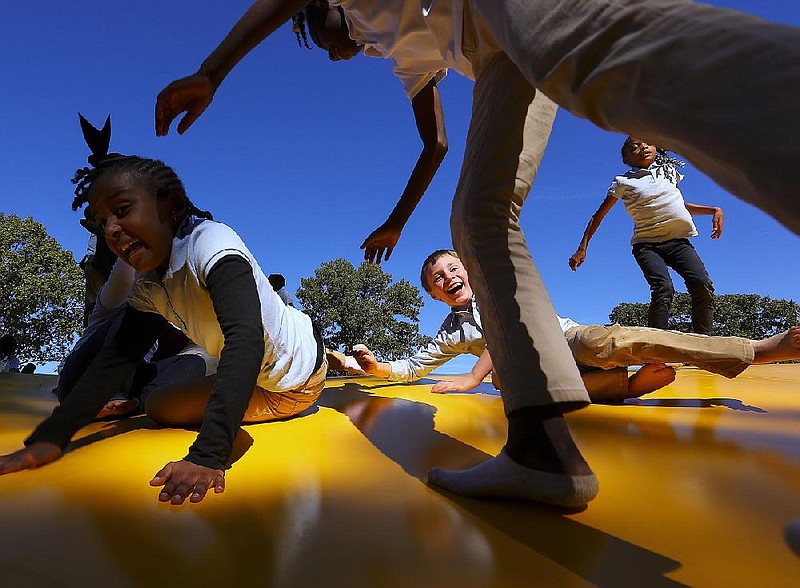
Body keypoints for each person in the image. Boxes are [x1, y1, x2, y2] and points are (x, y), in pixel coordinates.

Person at [153, 1, 800, 507]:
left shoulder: (356, 7)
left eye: (316, 36)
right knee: (479, 218)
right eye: (437, 278)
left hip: (513, 18)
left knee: (619, 60)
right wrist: (395, 224)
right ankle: (543, 455)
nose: (329, 55)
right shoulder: (400, 51)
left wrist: (214, 68)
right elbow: (433, 143)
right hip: (498, 55)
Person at [0, 116, 327, 506]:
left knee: (175, 401)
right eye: (101, 221)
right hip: (250, 371)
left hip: (293, 383)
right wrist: (52, 438)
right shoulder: (148, 284)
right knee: (158, 405)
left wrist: (208, 457)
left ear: (171, 207)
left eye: (122, 210)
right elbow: (116, 359)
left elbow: (246, 340)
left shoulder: (212, 244)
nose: (112, 230)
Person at [353, 249, 800, 402]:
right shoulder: (451, 332)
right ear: (433, 295)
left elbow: (502, 331)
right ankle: (625, 389)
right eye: (438, 279)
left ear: (469, 269)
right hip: (536, 370)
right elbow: (414, 366)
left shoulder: (497, 289)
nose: (449, 278)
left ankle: (756, 349)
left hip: (565, 340)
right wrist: (375, 369)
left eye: (454, 269)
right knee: (511, 386)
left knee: (612, 341)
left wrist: (473, 376)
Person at [569, 137, 723, 334]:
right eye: (635, 147)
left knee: (702, 283)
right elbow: (599, 215)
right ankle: (656, 347)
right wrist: (582, 248)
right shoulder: (623, 182)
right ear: (626, 159)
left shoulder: (668, 173)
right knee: (663, 288)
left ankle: (705, 339)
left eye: (647, 143)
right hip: (647, 246)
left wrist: (713, 209)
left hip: (678, 243)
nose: (642, 147)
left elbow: (676, 206)